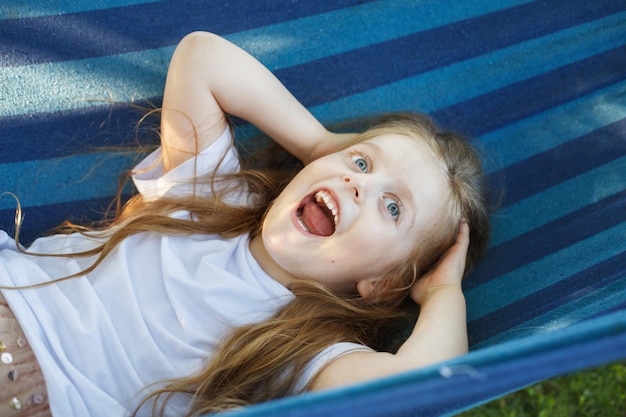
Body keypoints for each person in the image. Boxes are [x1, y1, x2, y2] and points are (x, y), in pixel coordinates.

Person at [0, 32, 489, 417]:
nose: (360, 184)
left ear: (384, 283)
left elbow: (421, 395)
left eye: (394, 208)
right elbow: (202, 57)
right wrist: (320, 143)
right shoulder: (211, 198)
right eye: (363, 163)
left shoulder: (302, 352)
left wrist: (444, 293)